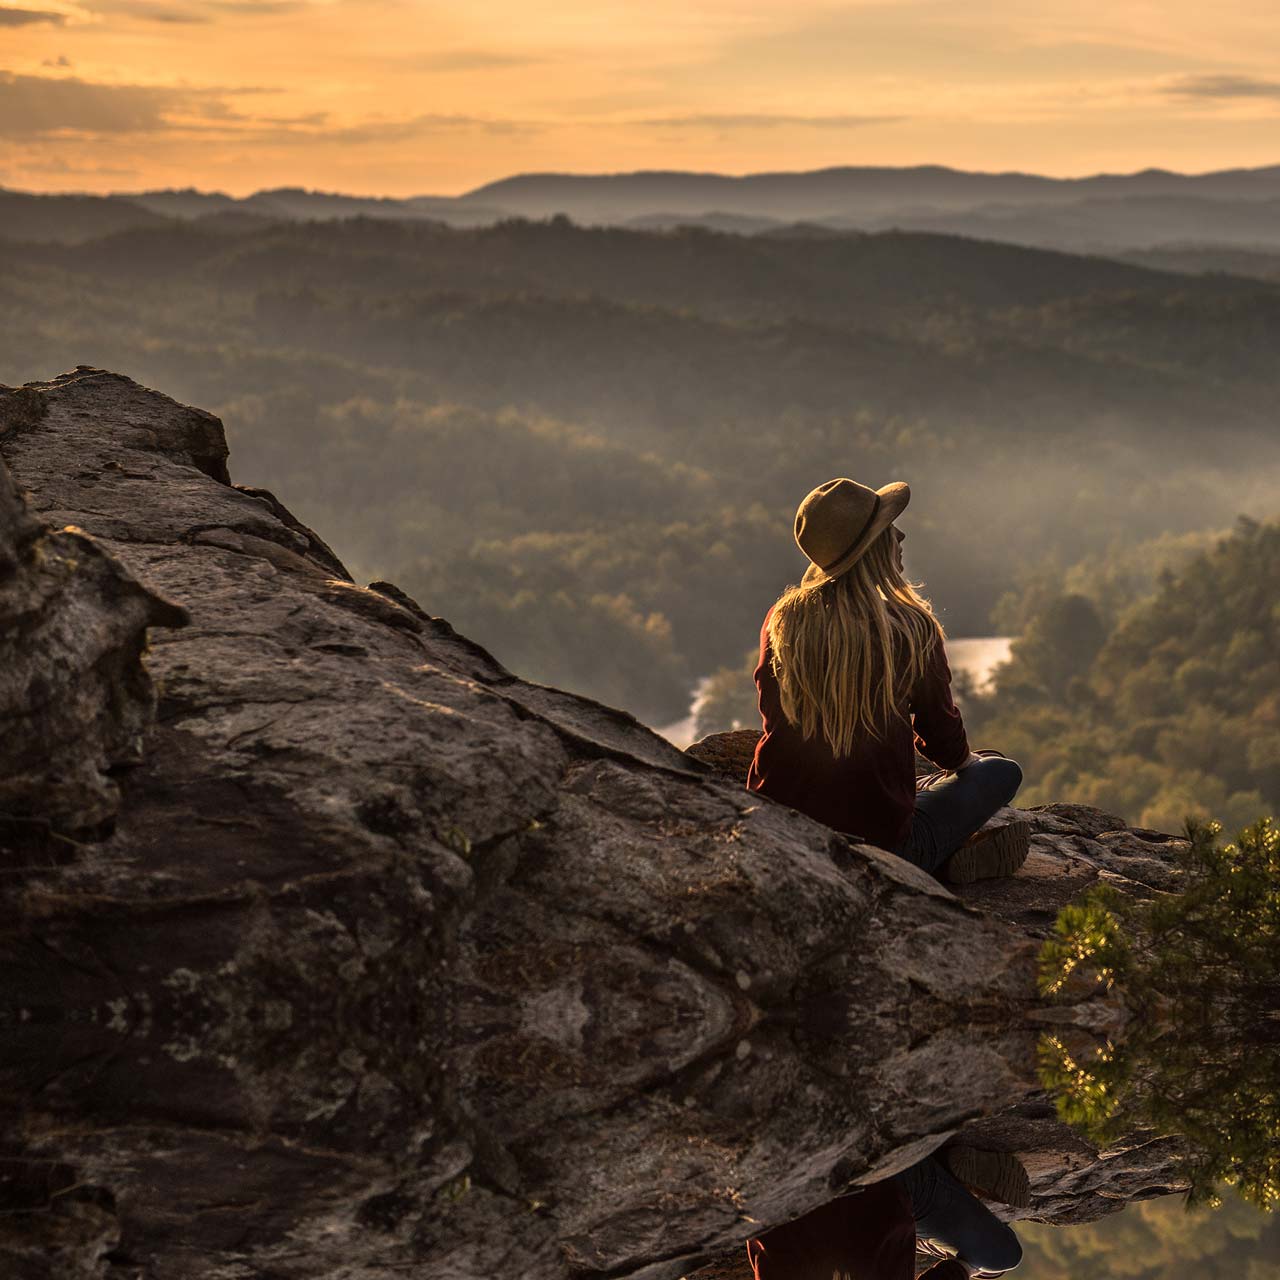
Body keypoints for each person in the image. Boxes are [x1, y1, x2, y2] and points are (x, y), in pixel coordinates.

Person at [745, 477, 1028, 882]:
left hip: (779, 827)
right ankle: (942, 864)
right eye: (888, 528)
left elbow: (771, 713)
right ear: (873, 548)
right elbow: (942, 738)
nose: (901, 534)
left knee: (927, 783)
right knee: (999, 770)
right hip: (878, 848)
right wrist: (968, 765)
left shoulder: (783, 621)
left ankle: (943, 850)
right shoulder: (909, 628)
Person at [746, 1150, 1026, 1279]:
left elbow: (949, 1277)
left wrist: (966, 1270)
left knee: (1000, 1256)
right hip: (787, 1178)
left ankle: (938, 1162)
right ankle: (921, 1222)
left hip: (883, 1178)